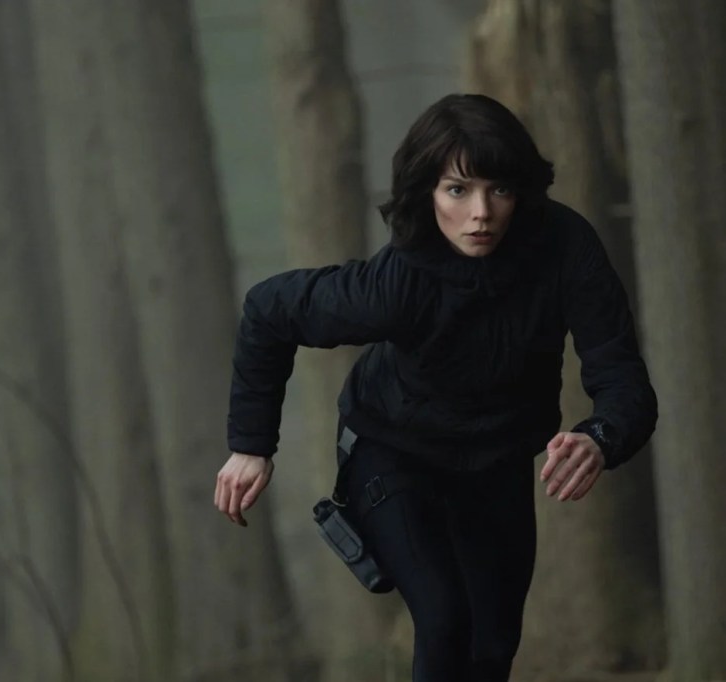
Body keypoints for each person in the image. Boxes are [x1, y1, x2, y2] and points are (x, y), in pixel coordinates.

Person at [214, 93, 657, 681]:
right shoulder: (397, 282)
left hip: (496, 461)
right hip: (393, 453)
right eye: (458, 190)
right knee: (446, 620)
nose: (481, 213)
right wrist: (250, 444)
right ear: (427, 193)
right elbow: (268, 311)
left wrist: (600, 436)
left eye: (499, 189)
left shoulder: (563, 248)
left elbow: (623, 377)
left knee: (492, 645)